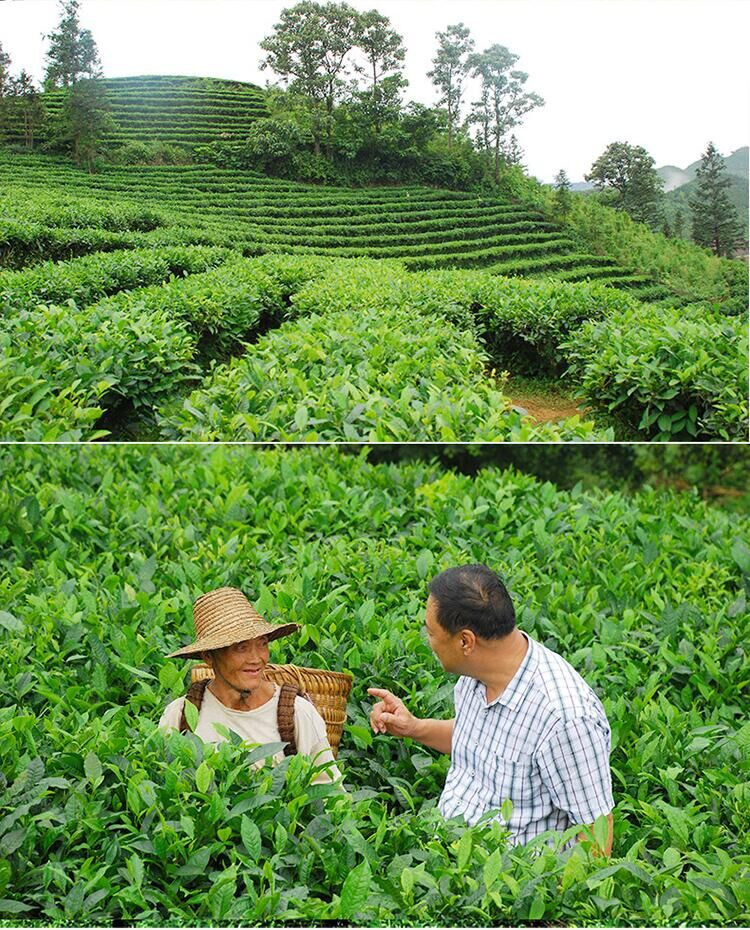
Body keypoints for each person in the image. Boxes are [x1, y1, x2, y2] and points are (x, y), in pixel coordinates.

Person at [369, 564, 614, 853]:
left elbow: (597, 830)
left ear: (465, 641)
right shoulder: (477, 674)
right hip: (448, 857)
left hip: (507, 883)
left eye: (431, 633)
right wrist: (414, 728)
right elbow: (477, 741)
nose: (429, 642)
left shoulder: (564, 718)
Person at [159, 586, 341, 784]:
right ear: (209, 656)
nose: (256, 659)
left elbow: (330, 798)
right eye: (241, 647)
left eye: (262, 644)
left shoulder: (298, 714)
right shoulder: (180, 715)